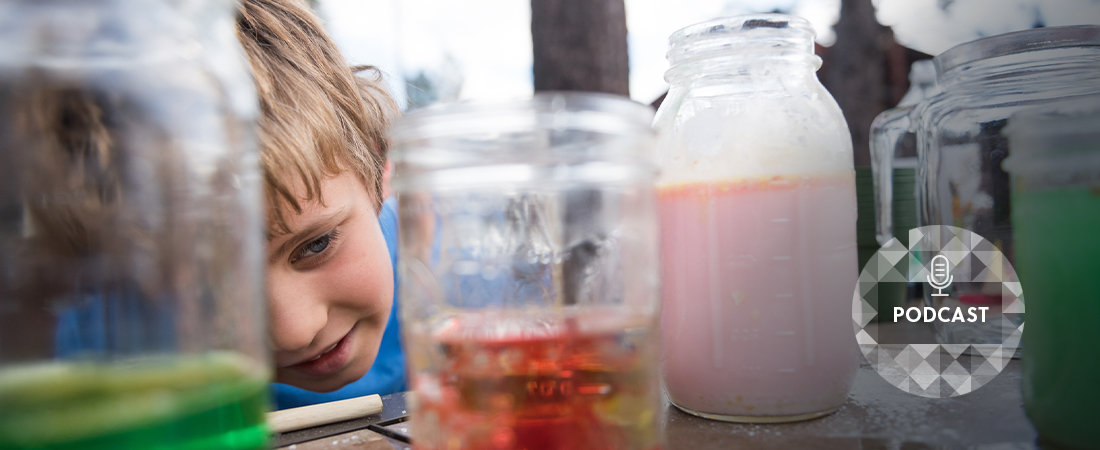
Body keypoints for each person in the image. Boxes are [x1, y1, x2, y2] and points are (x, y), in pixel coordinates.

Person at [235, 0, 404, 409]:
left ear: (377, 171)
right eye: (225, 284)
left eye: (316, 244)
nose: (294, 332)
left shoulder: (467, 291)